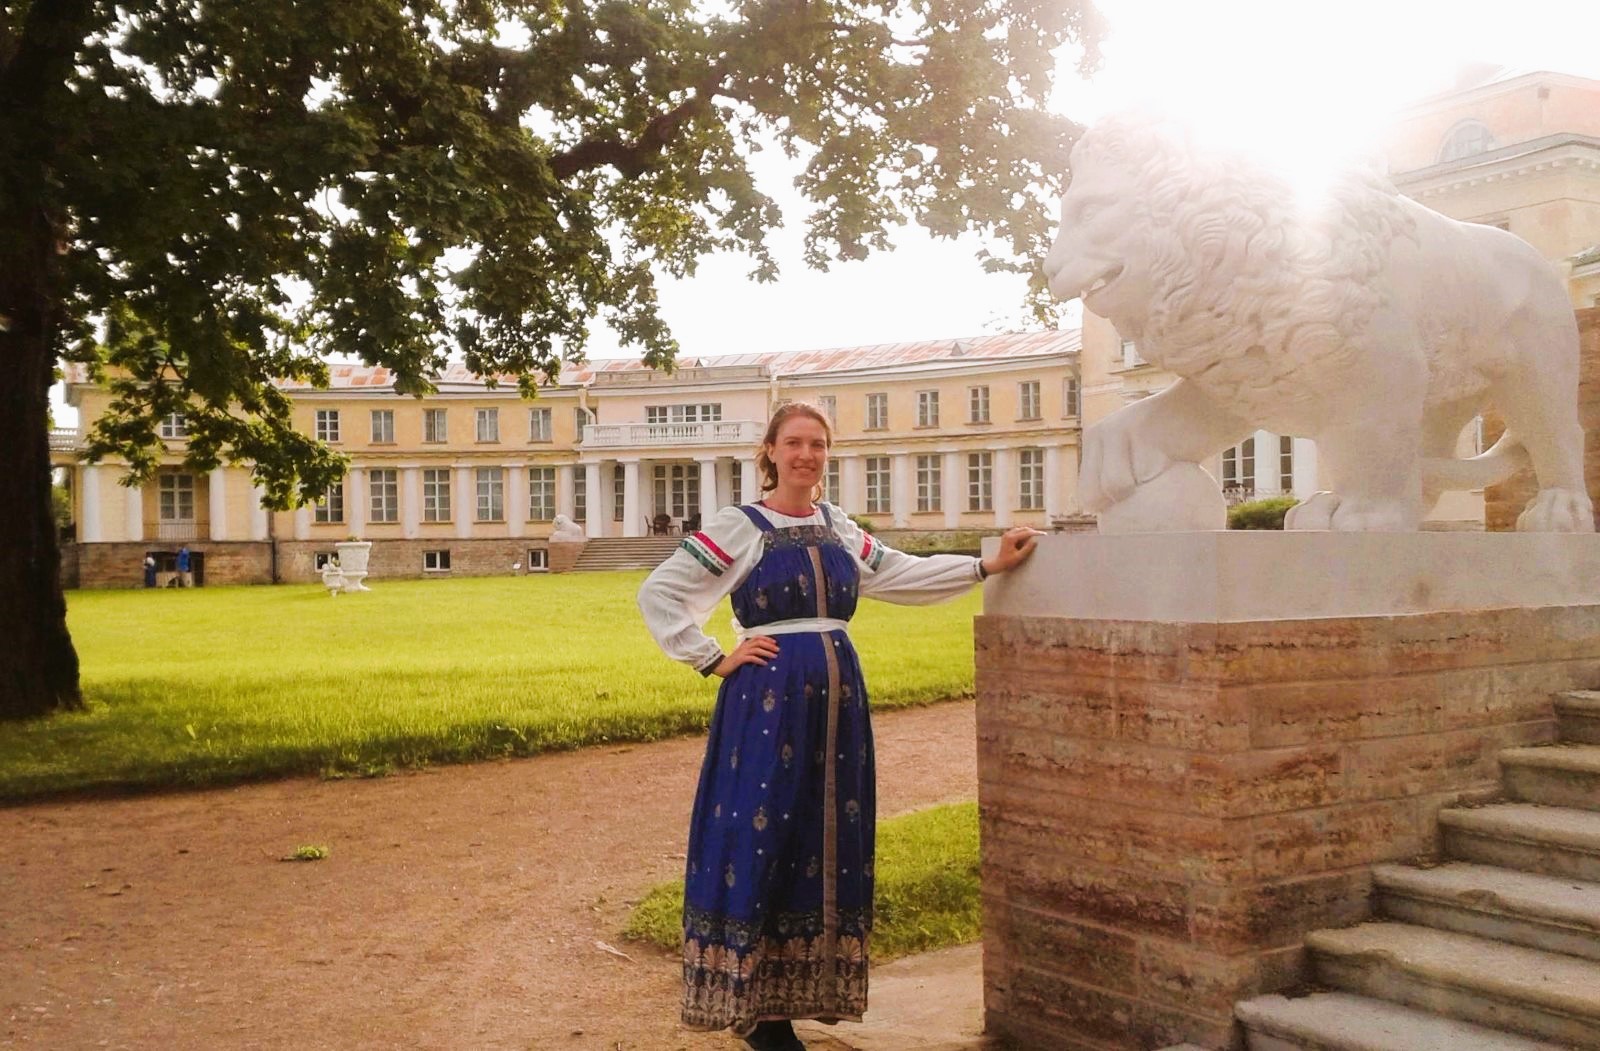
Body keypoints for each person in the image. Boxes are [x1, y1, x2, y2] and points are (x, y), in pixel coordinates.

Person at [638, 402, 1039, 1051]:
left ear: (828, 451)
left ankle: (788, 1001)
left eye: (817, 443)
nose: (806, 454)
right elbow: (660, 590)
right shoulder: (740, 527)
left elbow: (898, 571)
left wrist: (984, 565)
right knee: (762, 834)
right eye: (793, 442)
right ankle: (755, 1011)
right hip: (766, 706)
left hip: (836, 708)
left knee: (820, 840)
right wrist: (713, 656)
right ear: (769, 450)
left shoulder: (836, 525)